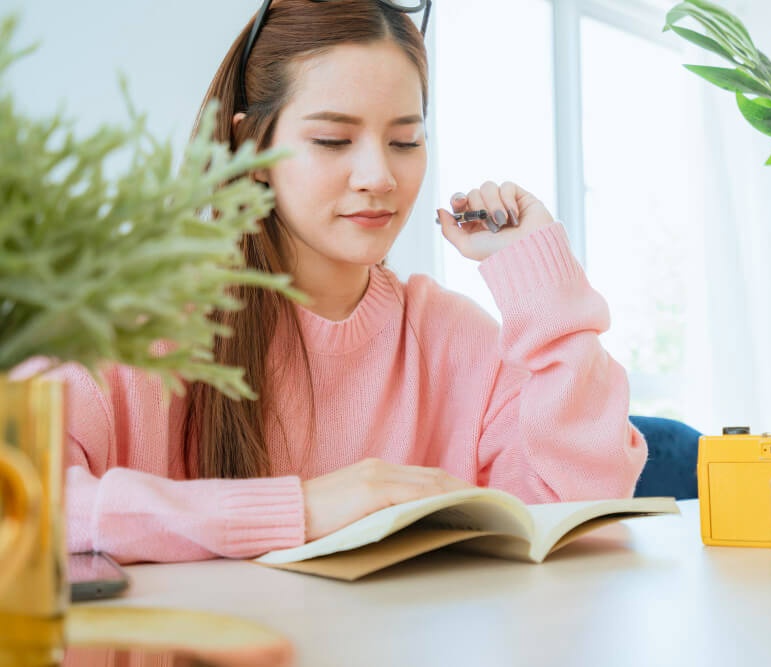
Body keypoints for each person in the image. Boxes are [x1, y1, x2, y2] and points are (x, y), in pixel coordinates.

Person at [50, 0, 647, 563]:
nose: (379, 175)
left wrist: (541, 287)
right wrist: (301, 510)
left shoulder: (452, 339)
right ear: (247, 144)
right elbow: (24, 502)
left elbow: (584, 514)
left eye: (405, 141)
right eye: (333, 140)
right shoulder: (135, 324)